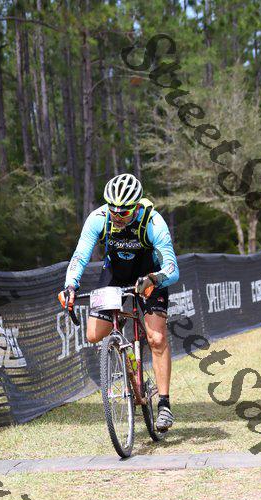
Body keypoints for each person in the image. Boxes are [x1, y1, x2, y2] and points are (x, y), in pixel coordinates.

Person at [59, 173, 179, 431]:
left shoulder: (153, 222)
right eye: (112, 209)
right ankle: (123, 345)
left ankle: (164, 404)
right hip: (115, 274)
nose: (116, 215)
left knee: (156, 338)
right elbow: (80, 255)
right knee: (94, 335)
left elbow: (172, 268)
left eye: (123, 212)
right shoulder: (99, 218)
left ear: (136, 207)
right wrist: (70, 286)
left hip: (149, 276)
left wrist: (154, 279)